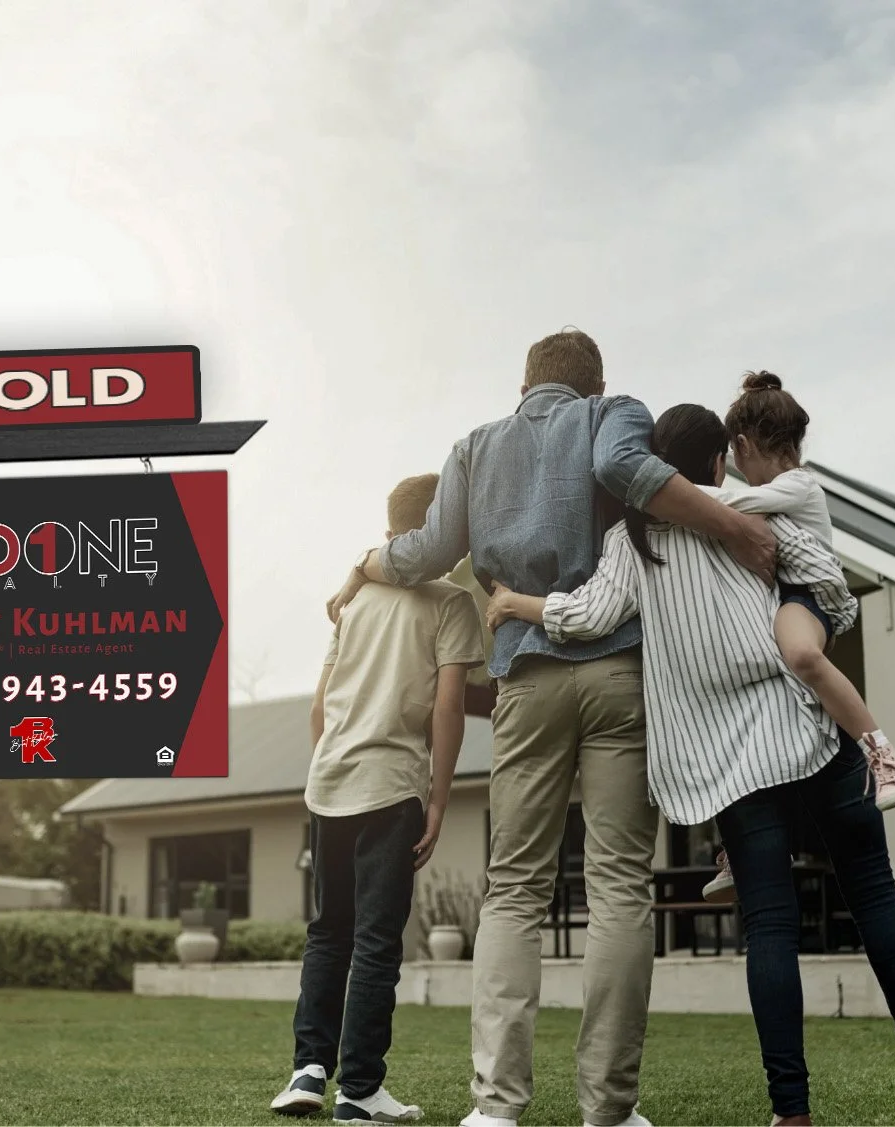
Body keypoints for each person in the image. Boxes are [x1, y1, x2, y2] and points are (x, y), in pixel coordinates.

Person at [328, 329, 777, 1127]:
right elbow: (623, 471)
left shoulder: (475, 445)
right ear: (593, 383)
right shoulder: (614, 412)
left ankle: (495, 1108)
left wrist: (367, 560)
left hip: (526, 678)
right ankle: (608, 1107)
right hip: (617, 675)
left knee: (514, 891)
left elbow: (429, 550)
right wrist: (733, 525)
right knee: (618, 888)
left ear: (525, 383)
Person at [485, 404, 895, 1127]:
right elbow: (827, 584)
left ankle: (792, 1111)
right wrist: (809, 618)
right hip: (806, 733)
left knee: (770, 926)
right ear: (717, 463)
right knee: (873, 891)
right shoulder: (746, 514)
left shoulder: (632, 538)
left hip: (732, 769)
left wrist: (516, 602)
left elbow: (587, 614)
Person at [272, 473, 487, 1124]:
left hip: (330, 782)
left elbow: (318, 705)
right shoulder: (451, 602)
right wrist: (439, 799)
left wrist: (328, 768)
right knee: (374, 941)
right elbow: (449, 705)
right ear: (440, 531)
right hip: (390, 785)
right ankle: (359, 1088)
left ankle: (308, 1070)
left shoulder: (355, 598)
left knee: (327, 932)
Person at [701, 370, 895, 906]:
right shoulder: (780, 487)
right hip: (779, 604)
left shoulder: (797, 486)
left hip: (807, 600)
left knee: (798, 653)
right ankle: (733, 845)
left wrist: (664, 491)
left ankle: (881, 753)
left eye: (735, 456)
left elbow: (726, 509)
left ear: (744, 446)